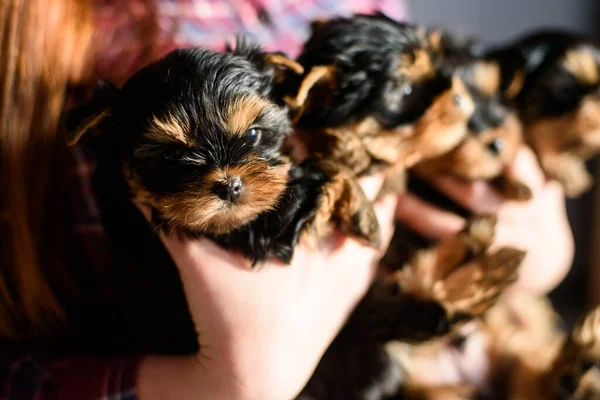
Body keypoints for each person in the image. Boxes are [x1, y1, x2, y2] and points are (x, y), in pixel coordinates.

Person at [0, 0, 573, 399]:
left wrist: (541, 241)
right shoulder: (30, 43)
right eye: (176, 158)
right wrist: (218, 388)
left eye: (252, 137)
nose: (226, 177)